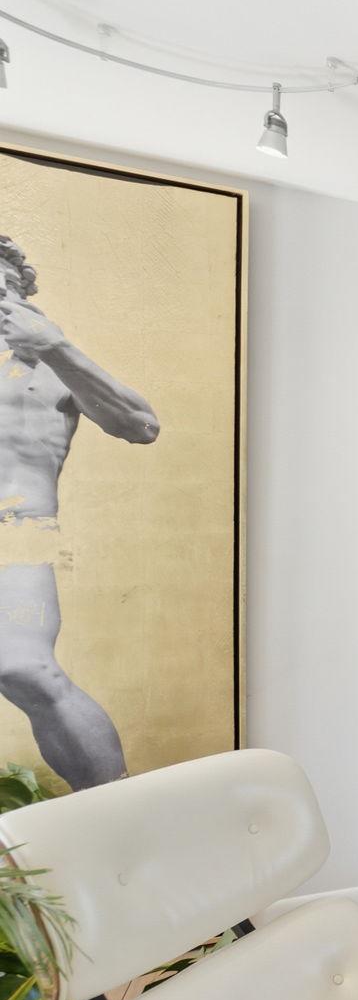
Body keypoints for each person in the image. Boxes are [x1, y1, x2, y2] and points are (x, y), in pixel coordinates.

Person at [0, 234, 160, 790]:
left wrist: (54, 345)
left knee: (25, 668)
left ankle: (115, 811)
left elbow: (142, 426)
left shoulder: (52, 370)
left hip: (15, 534)